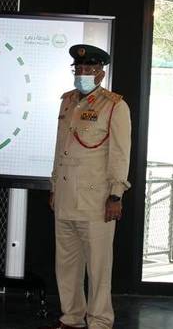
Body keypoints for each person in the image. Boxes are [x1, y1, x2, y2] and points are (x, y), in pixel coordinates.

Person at [40, 44, 131, 329]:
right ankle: (72, 318)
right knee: (66, 264)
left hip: (96, 200)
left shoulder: (114, 105)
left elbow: (120, 154)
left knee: (99, 267)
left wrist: (116, 195)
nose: (82, 73)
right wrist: (54, 186)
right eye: (78, 69)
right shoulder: (67, 101)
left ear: (101, 73)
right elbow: (61, 148)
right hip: (66, 197)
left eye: (89, 69)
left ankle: (100, 321)